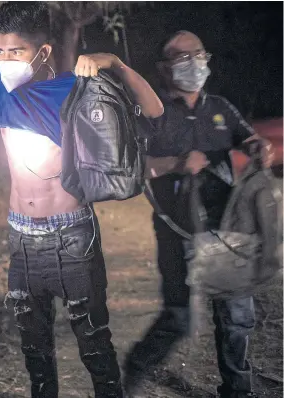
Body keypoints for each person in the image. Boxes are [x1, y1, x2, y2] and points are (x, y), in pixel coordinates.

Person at [0, 3, 163, 397]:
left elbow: (152, 109)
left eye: (17, 51)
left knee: (94, 343)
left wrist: (112, 61)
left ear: (42, 53)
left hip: (72, 237)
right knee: (35, 351)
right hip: (21, 238)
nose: (6, 60)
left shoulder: (68, 88)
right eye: (0, 52)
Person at [123, 30, 275, 398]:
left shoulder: (220, 108)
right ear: (164, 68)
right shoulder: (152, 112)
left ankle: (237, 389)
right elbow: (132, 166)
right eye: (182, 57)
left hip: (227, 226)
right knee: (179, 318)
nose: (194, 63)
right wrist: (176, 163)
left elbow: (246, 137)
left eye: (199, 55)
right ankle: (129, 375)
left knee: (236, 317)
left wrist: (259, 147)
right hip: (176, 227)